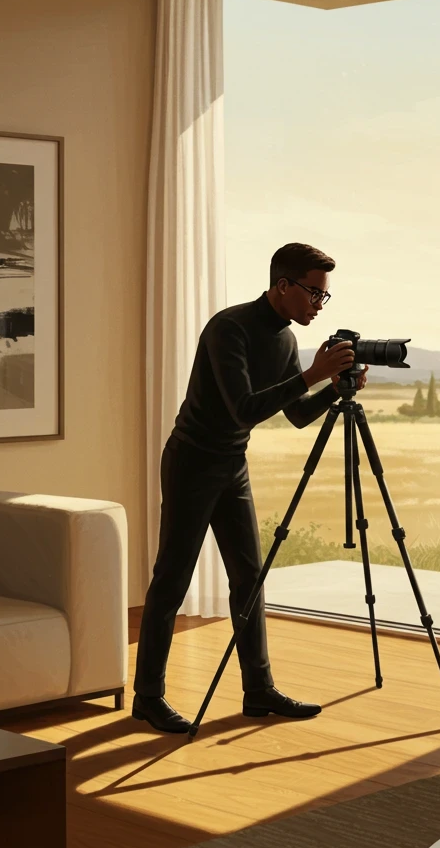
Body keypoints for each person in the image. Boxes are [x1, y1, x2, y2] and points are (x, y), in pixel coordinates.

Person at [132, 243, 366, 733]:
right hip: (192, 462)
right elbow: (243, 408)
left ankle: (257, 691)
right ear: (284, 285)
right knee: (173, 578)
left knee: (250, 578)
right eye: (313, 294)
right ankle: (148, 697)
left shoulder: (285, 340)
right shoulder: (228, 328)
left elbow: (297, 415)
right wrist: (311, 374)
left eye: (324, 297)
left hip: (231, 465)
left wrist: (334, 388)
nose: (318, 306)